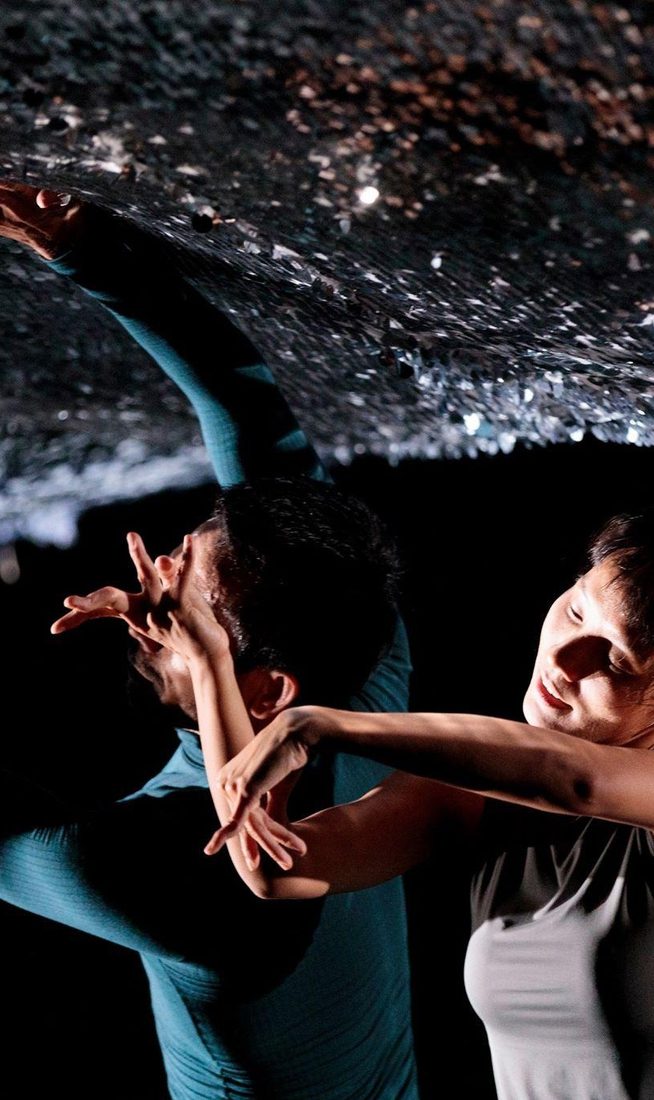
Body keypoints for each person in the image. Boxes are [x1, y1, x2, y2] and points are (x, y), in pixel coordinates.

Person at [0, 182, 420, 1099]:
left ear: (268, 690)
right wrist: (81, 248)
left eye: (185, 598)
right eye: (180, 551)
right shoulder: (364, 673)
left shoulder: (205, 878)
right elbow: (252, 416)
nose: (155, 579)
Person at [141, 506, 654, 1100]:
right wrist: (209, 660)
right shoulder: (487, 791)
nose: (566, 660)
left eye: (615, 659)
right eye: (576, 611)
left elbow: (574, 780)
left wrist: (320, 726)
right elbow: (278, 867)